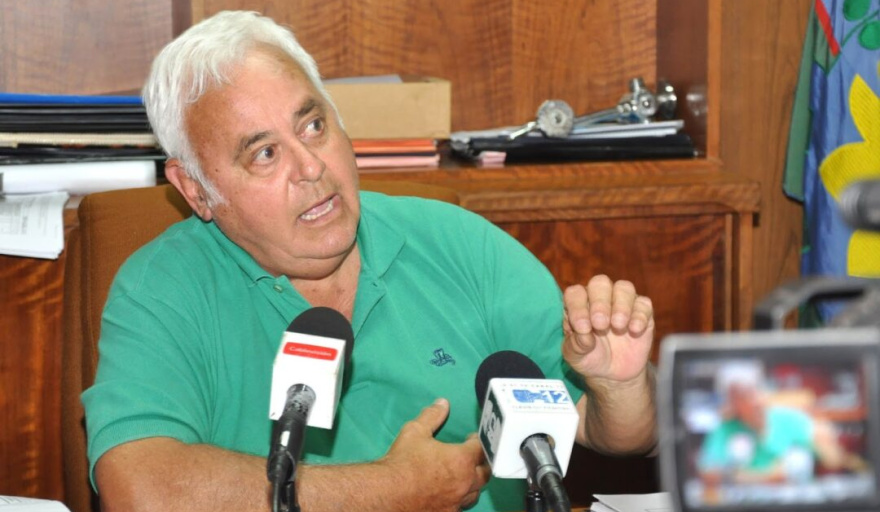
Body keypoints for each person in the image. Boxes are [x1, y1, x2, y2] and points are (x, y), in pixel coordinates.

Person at [82, 10, 657, 512]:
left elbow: (617, 435)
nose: (311, 167)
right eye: (264, 153)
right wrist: (391, 491)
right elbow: (140, 492)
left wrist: (620, 388)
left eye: (313, 126)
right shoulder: (160, 290)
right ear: (196, 190)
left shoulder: (459, 245)